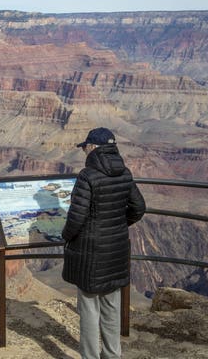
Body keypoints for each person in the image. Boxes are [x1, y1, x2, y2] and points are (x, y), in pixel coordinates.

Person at [61, 127, 146, 359]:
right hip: (116, 249)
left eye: (86, 146)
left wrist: (66, 236)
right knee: (112, 305)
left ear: (94, 148)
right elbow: (139, 208)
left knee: (88, 307)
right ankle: (112, 354)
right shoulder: (125, 173)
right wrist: (118, 226)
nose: (84, 151)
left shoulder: (87, 176)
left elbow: (76, 218)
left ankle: (90, 356)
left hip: (91, 252)